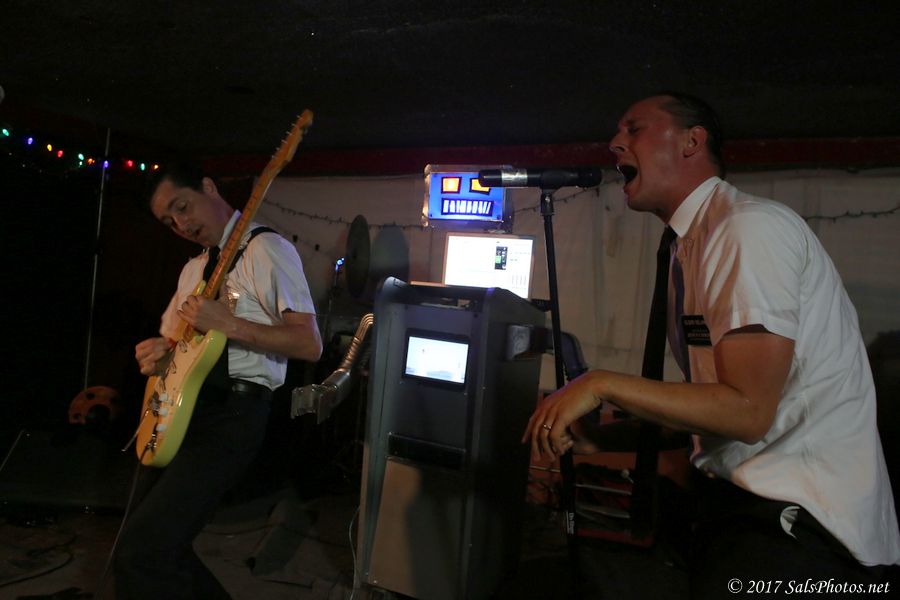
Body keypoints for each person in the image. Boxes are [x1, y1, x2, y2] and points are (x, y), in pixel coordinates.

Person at [523, 93, 900, 597]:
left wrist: (601, 384)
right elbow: (716, 409)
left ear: (691, 142)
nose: (614, 143)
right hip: (745, 513)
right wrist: (605, 438)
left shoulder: (746, 229)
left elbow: (747, 412)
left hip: (801, 530)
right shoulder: (693, 243)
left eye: (634, 128)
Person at [114, 162, 322, 599]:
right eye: (169, 221)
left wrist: (228, 324)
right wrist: (161, 355)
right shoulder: (193, 270)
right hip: (183, 413)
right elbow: (182, 348)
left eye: (182, 207)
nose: (182, 225)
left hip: (233, 415)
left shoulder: (267, 249)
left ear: (208, 187)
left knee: (143, 551)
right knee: (147, 545)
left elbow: (309, 344)